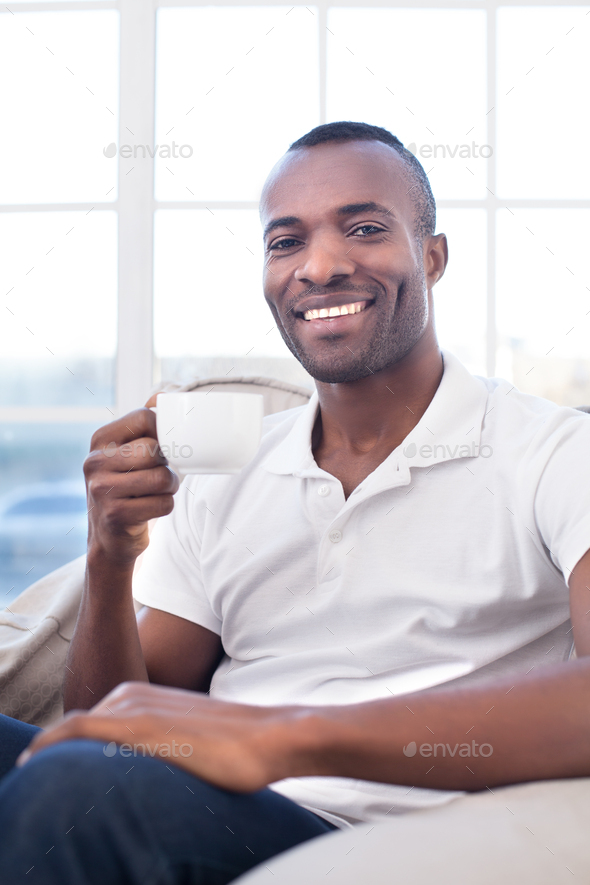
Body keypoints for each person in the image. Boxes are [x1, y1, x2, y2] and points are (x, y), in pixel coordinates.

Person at [1, 121, 590, 884]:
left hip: (389, 832)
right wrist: (110, 555)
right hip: (216, 800)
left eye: (366, 228)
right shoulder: (230, 470)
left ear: (433, 257)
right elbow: (112, 724)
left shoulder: (553, 451)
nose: (321, 265)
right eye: (286, 242)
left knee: (75, 788)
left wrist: (282, 735)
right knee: (76, 773)